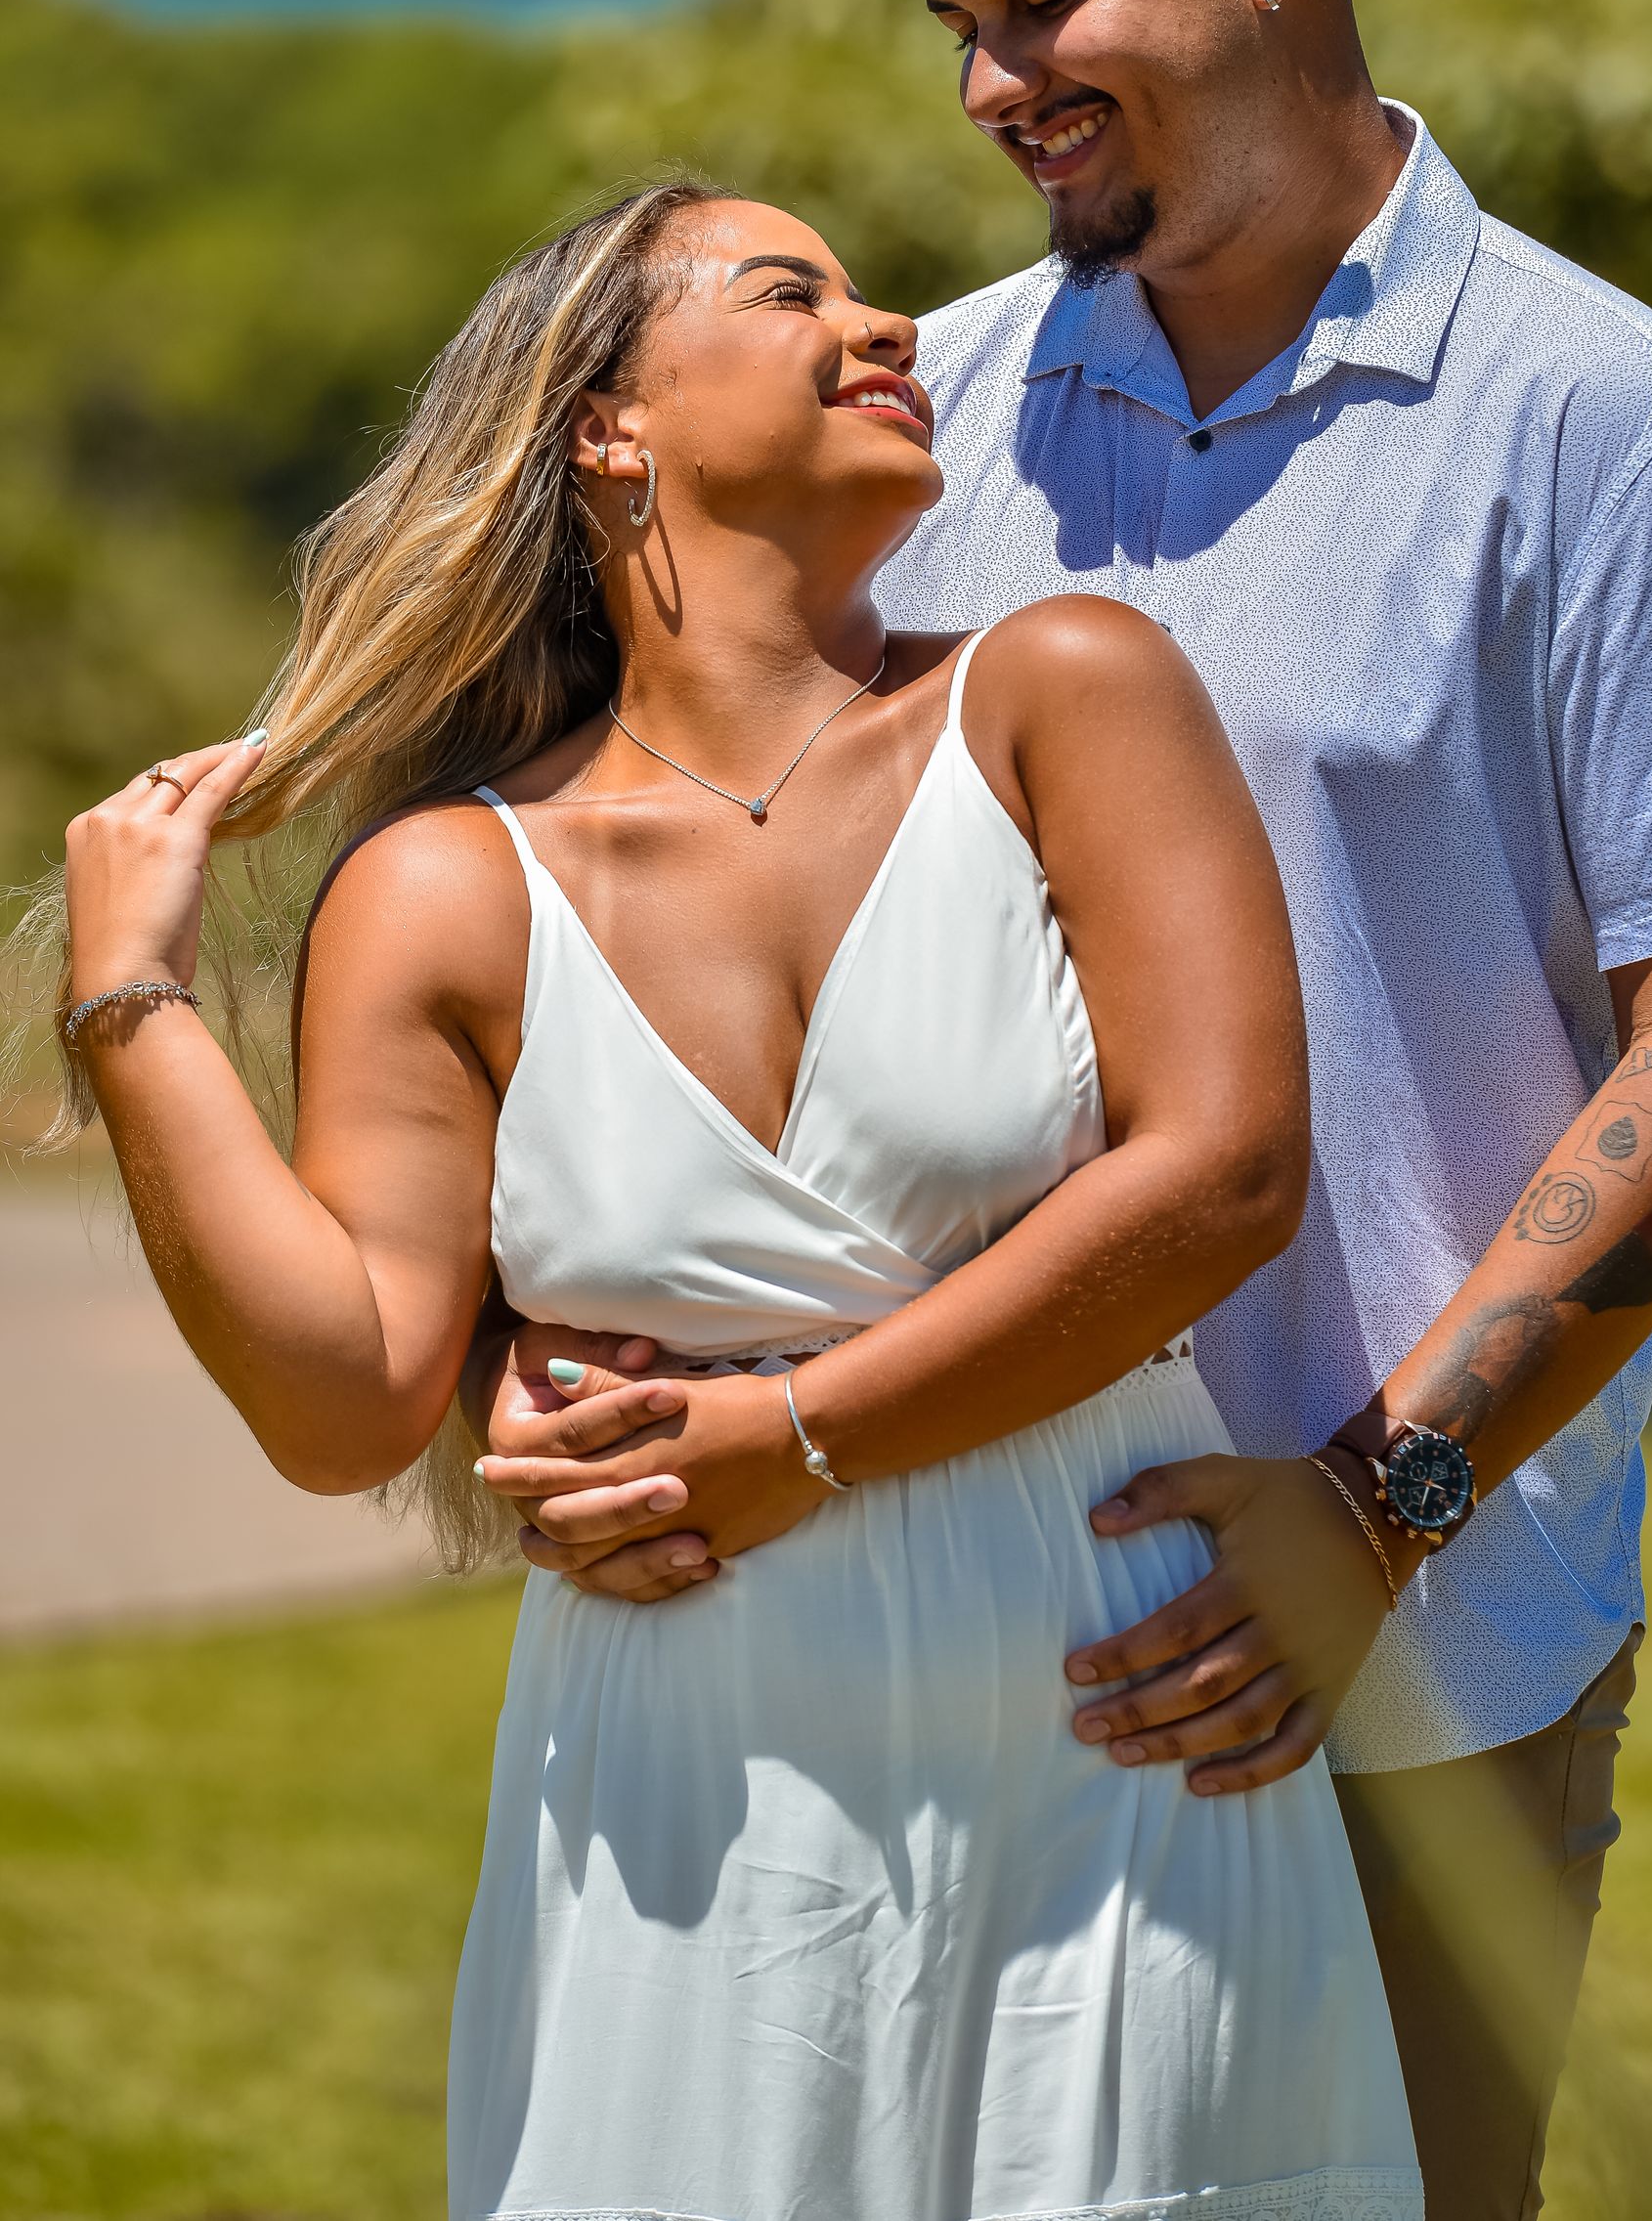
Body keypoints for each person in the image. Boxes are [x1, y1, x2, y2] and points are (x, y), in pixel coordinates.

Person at [475, 0, 1652, 2220]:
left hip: (1409, 1657)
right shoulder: (937, 415)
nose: (992, 86)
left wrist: (1383, 1496)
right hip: (922, 1629)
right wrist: (569, 1364)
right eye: (959, 28)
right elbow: (710, 873)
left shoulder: (1607, 426)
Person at [58, 183, 1424, 2221]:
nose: (888, 323)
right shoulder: (443, 890)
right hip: (693, 1781)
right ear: (608, 423)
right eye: (795, 289)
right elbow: (346, 1396)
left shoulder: (1063, 692)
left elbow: (1221, 1170)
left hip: (1122, 1711)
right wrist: (130, 1004)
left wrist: (793, 1433)